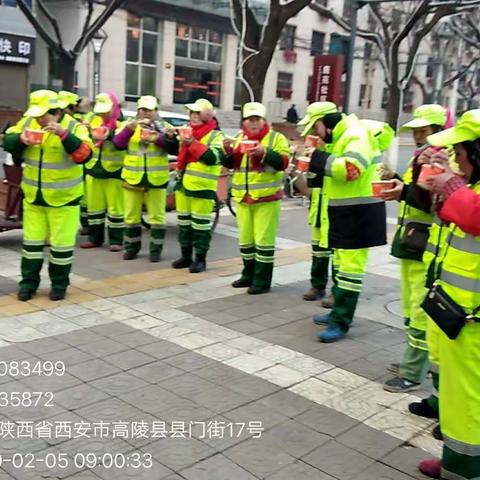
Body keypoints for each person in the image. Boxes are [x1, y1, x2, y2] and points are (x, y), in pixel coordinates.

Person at [417, 109, 480, 480]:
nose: (456, 159)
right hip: (459, 311)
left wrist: (451, 186)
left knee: (469, 398)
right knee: (459, 396)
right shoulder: (472, 186)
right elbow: (455, 217)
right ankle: (456, 458)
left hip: (473, 319)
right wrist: (443, 181)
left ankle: (465, 469)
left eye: (460, 152)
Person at [299, 102, 387, 342]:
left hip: (358, 213)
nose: (315, 134)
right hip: (345, 212)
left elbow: (350, 170)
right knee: (340, 265)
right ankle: (338, 312)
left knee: (350, 271)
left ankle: (341, 322)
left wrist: (317, 158)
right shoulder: (341, 136)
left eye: (315, 128)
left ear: (323, 122)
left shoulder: (355, 135)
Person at [381, 105, 449, 393]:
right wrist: (399, 180)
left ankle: (412, 373)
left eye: (425, 129)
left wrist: (402, 191)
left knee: (421, 313)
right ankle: (414, 364)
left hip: (425, 245)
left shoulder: (440, 159)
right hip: (411, 242)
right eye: (417, 130)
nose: (419, 135)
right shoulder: (420, 157)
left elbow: (429, 201)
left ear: (439, 130)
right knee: (411, 309)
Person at [3, 90, 93, 301]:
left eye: (43, 115)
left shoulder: (74, 126)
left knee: (61, 248)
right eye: (37, 114)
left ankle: (59, 285)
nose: (39, 119)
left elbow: (84, 155)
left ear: (57, 111)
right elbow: (7, 141)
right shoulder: (29, 122)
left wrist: (63, 135)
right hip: (34, 197)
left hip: (64, 199)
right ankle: (28, 285)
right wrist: (20, 140)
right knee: (31, 246)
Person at [223, 102, 290, 294]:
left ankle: (262, 280)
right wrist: (226, 152)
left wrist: (264, 153)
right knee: (246, 240)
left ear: (263, 120)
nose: (253, 124)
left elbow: (283, 162)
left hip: (266, 197)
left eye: (257, 119)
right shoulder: (238, 138)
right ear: (244, 121)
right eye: (249, 120)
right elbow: (231, 164)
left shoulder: (276, 138)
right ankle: (248, 274)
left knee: (263, 241)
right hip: (243, 197)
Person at [113, 95, 178, 262]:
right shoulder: (127, 124)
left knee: (157, 217)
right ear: (138, 110)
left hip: (156, 179)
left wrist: (160, 137)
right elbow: (117, 144)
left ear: (156, 111)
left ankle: (155, 251)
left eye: (149, 110)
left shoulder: (164, 126)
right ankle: (131, 248)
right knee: (131, 216)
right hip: (132, 178)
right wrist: (130, 129)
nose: (146, 113)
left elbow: (174, 149)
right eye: (142, 109)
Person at [170, 99, 225, 273]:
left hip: (203, 188)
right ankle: (186, 257)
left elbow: (212, 158)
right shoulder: (188, 132)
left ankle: (200, 260)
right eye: (191, 113)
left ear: (207, 116)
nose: (193, 117)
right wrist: (170, 137)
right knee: (184, 225)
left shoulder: (216, 135)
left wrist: (192, 143)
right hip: (184, 186)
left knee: (201, 227)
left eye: (197, 114)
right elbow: (177, 153)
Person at [80, 92, 125, 252]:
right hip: (93, 169)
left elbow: (122, 143)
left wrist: (109, 135)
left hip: (113, 171)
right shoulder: (92, 120)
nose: (103, 113)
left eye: (106, 110)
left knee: (115, 209)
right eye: (101, 110)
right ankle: (94, 238)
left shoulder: (121, 124)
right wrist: (86, 130)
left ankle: (116, 240)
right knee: (94, 208)